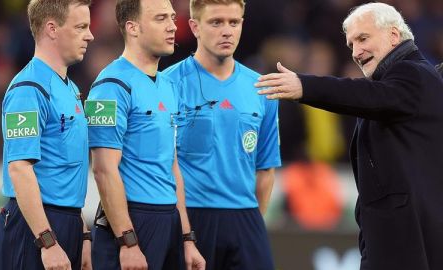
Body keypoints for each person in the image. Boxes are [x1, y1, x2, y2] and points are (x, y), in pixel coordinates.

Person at [256, 2, 443, 270]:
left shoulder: (412, 73)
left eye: (363, 38)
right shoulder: (401, 82)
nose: (356, 51)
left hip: (408, 240)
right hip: (394, 237)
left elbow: (361, 95)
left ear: (394, 35)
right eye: (351, 44)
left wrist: (304, 86)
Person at [85, 0, 205, 269]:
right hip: (133, 222)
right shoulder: (109, 86)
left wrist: (186, 237)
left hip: (169, 222)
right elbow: (104, 169)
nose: (173, 26)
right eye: (161, 18)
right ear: (133, 27)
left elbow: (172, 165)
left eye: (172, 18)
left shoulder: (168, 85)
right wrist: (128, 242)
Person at [163, 0, 281, 269]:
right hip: (189, 218)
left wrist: (253, 223)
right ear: (195, 27)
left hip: (245, 218)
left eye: (234, 22)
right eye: (216, 22)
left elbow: (266, 168)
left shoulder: (262, 88)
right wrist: (183, 231)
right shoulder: (167, 84)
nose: (227, 31)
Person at [0, 0, 94, 269]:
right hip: (35, 228)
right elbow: (20, 169)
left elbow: (65, 172)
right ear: (52, 28)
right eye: (81, 26)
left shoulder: (70, 87)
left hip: (67, 222)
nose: (90, 35)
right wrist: (47, 241)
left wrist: (82, 232)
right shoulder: (28, 89)